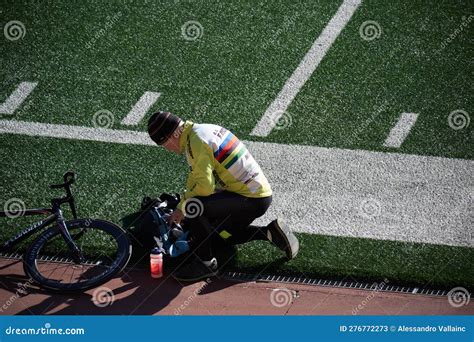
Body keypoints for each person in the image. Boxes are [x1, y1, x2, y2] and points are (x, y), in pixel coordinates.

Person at [147, 111, 299, 281]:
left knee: (194, 207)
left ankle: (206, 264)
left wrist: (183, 207)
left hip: (249, 198)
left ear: (172, 135)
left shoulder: (196, 142)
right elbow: (196, 177)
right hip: (256, 195)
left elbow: (204, 188)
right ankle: (269, 233)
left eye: (165, 144)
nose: (168, 149)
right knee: (221, 236)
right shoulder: (201, 131)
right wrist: (180, 204)